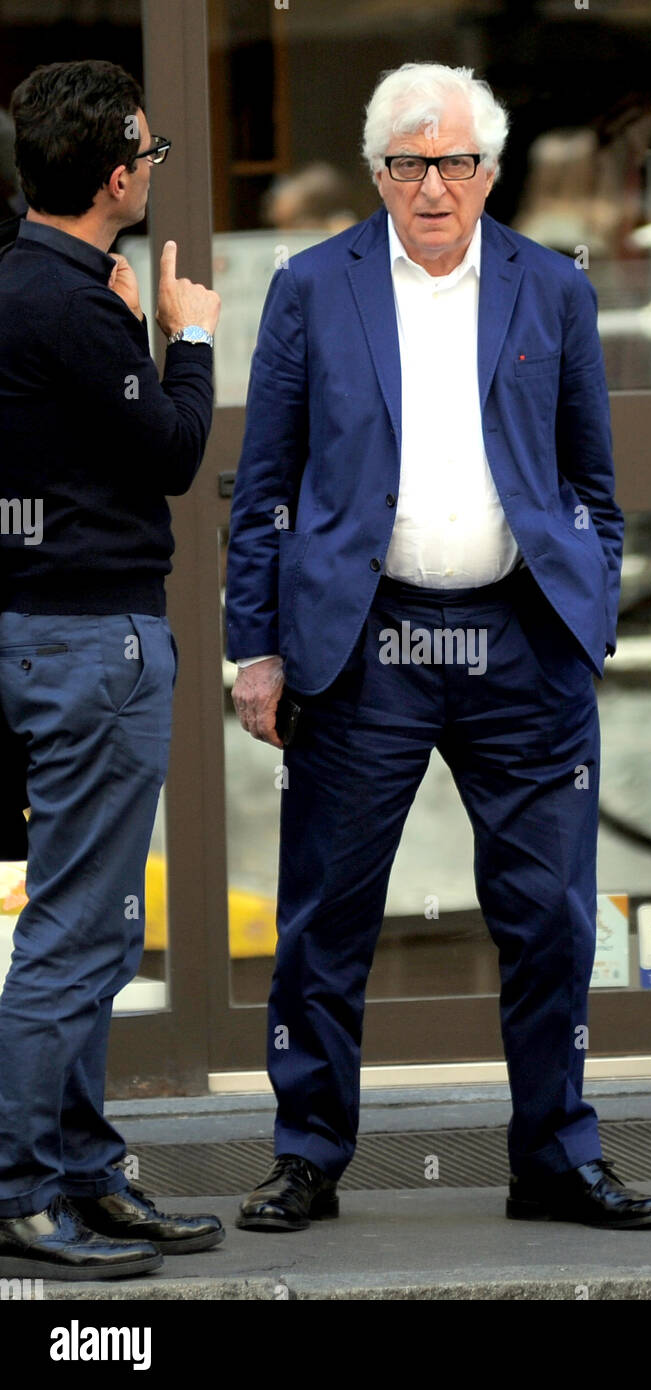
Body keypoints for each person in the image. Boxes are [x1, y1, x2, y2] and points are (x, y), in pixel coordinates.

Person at [227, 61, 651, 1234]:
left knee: (549, 916)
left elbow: (591, 477)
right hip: (362, 639)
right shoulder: (310, 289)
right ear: (379, 171)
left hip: (520, 640)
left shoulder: (553, 289)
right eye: (411, 162)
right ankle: (308, 1156)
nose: (436, 185)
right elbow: (261, 485)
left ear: (489, 169)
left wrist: (581, 618)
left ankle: (554, 1158)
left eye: (458, 161)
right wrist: (255, 649)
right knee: (327, 918)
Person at [0, 59, 223, 1280]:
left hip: (49, 633)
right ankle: (22, 1185)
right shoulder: (71, 305)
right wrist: (185, 337)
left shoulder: (34, 284)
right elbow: (173, 453)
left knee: (83, 924)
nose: (150, 167)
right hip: (93, 643)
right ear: (113, 174)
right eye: (147, 152)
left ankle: (85, 1170)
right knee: (78, 931)